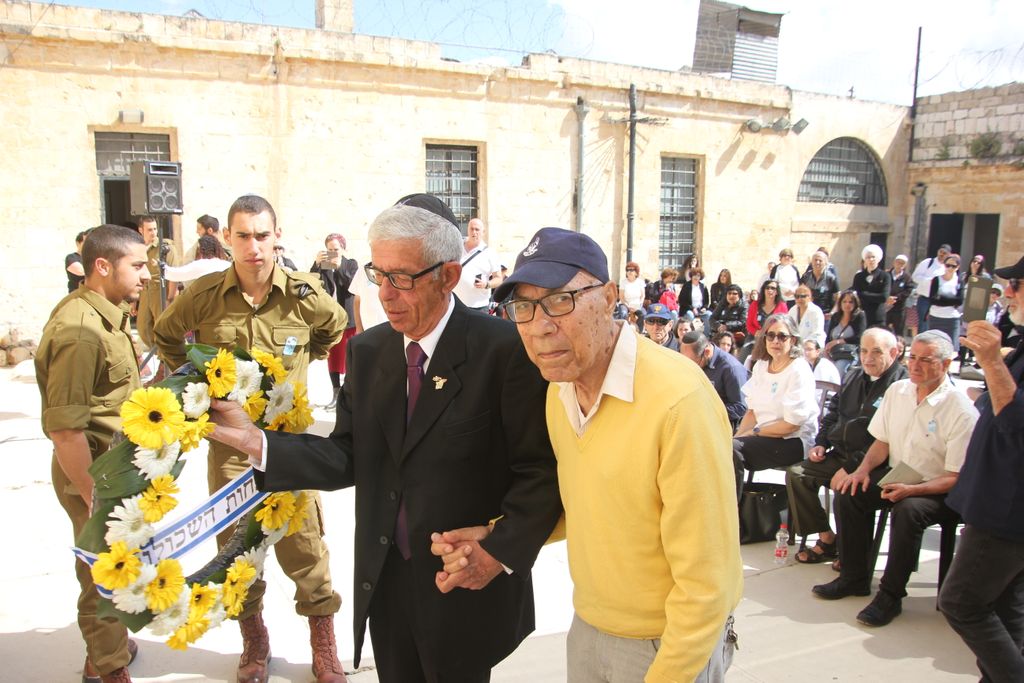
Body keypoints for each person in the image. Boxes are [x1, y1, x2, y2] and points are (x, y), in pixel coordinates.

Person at [204, 199, 561, 683]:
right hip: (386, 580)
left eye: (403, 278)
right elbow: (349, 454)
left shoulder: (502, 352)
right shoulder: (369, 352)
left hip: (462, 578)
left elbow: (539, 473)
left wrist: (499, 551)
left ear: (449, 275)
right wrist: (258, 442)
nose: (386, 295)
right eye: (378, 274)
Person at [455, 227, 741, 681]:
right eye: (523, 307)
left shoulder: (679, 402)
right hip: (588, 627)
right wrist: (494, 538)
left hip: (666, 642)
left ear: (609, 297)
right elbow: (588, 502)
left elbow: (708, 585)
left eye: (560, 301)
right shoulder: (560, 389)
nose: (539, 325)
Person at [154, 195, 349, 683]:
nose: (254, 247)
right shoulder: (202, 294)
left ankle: (323, 645)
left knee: (304, 546)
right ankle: (254, 640)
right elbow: (165, 334)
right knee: (237, 550)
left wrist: (308, 362)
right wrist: (193, 382)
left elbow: (335, 327)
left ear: (276, 236)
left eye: (262, 235)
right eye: (242, 235)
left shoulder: (305, 294)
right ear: (227, 238)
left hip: (290, 446)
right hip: (230, 454)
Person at [36, 225, 150, 683]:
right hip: (94, 474)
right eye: (137, 266)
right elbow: (65, 431)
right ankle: (108, 669)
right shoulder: (81, 330)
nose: (146, 275)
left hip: (115, 468)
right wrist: (93, 498)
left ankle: (110, 647)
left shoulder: (104, 313)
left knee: (121, 569)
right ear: (103, 267)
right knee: (103, 576)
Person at [813, 331, 979, 627]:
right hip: (899, 475)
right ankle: (854, 577)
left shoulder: (959, 408)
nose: (915, 366)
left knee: (908, 511)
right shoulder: (899, 391)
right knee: (851, 491)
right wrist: (862, 470)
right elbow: (882, 442)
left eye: (925, 360)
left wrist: (913, 489)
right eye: (912, 357)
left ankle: (890, 596)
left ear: (947, 363)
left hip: (939, 489)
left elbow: (956, 476)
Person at [940, 259, 1024, 682]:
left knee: (962, 602)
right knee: (1005, 605)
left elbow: (1017, 423)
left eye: (1017, 285)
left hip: (1007, 510)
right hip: (997, 498)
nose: (1007, 293)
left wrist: (992, 363)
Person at [786, 329, 907, 563]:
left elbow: (887, 438)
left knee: (849, 488)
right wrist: (821, 443)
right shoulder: (853, 375)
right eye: (863, 351)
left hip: (875, 462)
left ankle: (852, 551)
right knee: (797, 474)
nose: (867, 358)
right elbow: (834, 413)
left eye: (876, 352)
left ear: (893, 353)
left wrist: (852, 467)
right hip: (840, 453)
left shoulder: (900, 386)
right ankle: (827, 538)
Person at [732, 314, 819, 497]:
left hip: (792, 440)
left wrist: (753, 433)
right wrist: (738, 436)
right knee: (723, 447)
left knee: (732, 452)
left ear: (793, 339)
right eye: (770, 336)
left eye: (782, 336)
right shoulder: (761, 366)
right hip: (761, 437)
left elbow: (791, 425)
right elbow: (752, 413)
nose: (775, 341)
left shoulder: (798, 369)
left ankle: (732, 511)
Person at [312, 233, 360, 410]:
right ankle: (336, 394)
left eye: (336, 250)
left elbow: (352, 285)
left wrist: (339, 267)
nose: (333, 253)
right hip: (329, 319)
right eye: (329, 250)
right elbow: (312, 284)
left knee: (348, 359)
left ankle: (349, 396)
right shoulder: (323, 265)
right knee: (332, 358)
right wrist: (316, 265)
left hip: (347, 319)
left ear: (343, 249)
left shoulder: (351, 264)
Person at [680, 330, 748, 430]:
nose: (689, 366)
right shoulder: (696, 360)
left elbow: (741, 407)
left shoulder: (731, 368)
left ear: (706, 352)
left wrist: (708, 412)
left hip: (722, 425)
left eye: (692, 362)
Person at [134, 215, 178, 349]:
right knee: (143, 328)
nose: (153, 233)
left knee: (163, 328)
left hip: (160, 291)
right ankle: (158, 352)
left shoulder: (165, 247)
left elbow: (174, 274)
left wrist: (170, 298)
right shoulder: (138, 248)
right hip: (144, 291)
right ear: (141, 230)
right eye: (149, 230)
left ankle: (163, 359)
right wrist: (133, 301)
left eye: (154, 229)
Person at [453, 217, 502, 311]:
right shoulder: (457, 247)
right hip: (456, 304)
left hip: (480, 307)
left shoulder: (490, 253)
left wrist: (487, 284)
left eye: (477, 229)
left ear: (483, 232)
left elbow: (499, 279)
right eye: (471, 229)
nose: (474, 232)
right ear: (467, 229)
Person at [927, 253, 965, 353]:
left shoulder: (959, 281)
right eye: (948, 265)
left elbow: (960, 300)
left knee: (951, 347)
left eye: (953, 266)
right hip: (936, 317)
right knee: (934, 345)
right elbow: (933, 299)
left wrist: (942, 298)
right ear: (944, 265)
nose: (950, 268)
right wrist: (951, 300)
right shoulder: (936, 279)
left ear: (958, 267)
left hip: (952, 318)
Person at [911, 243, 952, 333]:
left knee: (936, 324)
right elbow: (915, 277)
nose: (942, 254)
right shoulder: (928, 263)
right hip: (925, 299)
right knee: (924, 323)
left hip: (939, 300)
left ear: (948, 255)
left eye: (944, 253)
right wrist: (929, 281)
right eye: (940, 252)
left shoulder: (948, 267)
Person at [825, 290, 867, 376]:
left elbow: (859, 337)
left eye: (850, 302)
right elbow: (828, 337)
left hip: (849, 354)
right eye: (844, 301)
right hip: (833, 352)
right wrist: (826, 350)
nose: (847, 304)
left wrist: (839, 341)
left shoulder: (859, 316)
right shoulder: (836, 317)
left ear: (855, 303)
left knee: (839, 368)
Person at [162, 234, 231, 286]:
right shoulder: (228, 265)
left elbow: (175, 274)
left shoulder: (200, 265)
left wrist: (161, 266)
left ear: (201, 250)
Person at [852, 244, 892, 328]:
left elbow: (884, 297)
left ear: (878, 259)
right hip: (861, 315)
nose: (871, 259)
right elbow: (855, 294)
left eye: (873, 257)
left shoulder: (885, 276)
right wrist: (871, 295)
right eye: (868, 257)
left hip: (877, 316)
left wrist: (863, 294)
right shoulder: (859, 276)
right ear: (864, 260)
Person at [802, 249, 840, 320]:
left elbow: (838, 299)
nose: (817, 262)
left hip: (825, 315)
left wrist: (832, 313)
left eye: (820, 260)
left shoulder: (831, 278)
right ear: (811, 262)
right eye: (815, 260)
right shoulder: (806, 277)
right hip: (808, 314)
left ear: (825, 263)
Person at [886, 254, 913, 337]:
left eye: (902, 263)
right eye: (898, 262)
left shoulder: (907, 277)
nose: (899, 264)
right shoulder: (886, 274)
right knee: (883, 329)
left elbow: (908, 290)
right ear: (894, 262)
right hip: (885, 307)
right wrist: (887, 298)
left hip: (899, 309)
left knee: (898, 332)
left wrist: (896, 298)